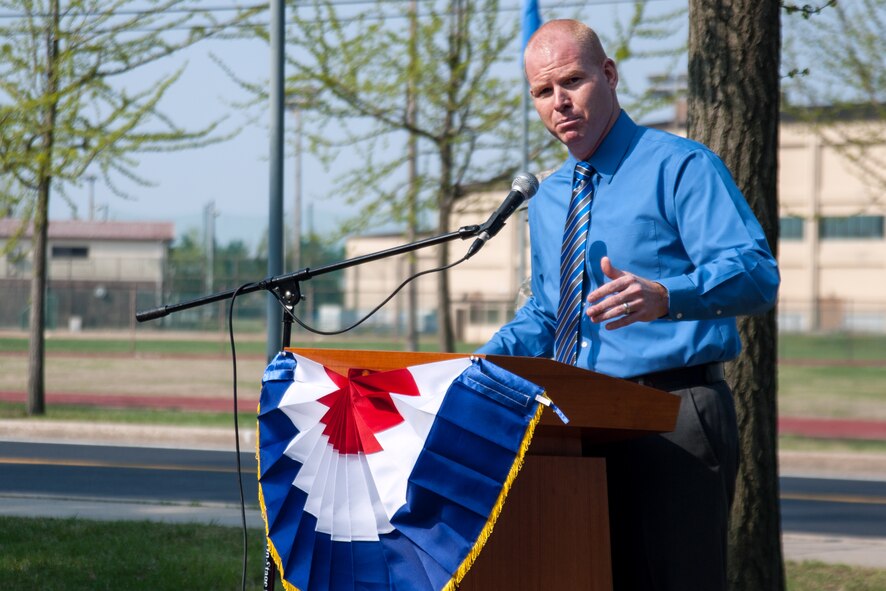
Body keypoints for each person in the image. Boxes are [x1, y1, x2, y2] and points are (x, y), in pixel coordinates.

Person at [476, 19, 779, 591]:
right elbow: (548, 314)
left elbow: (757, 275)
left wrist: (666, 296)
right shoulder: (547, 198)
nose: (559, 102)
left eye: (572, 81)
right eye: (543, 92)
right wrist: (480, 365)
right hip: (576, 426)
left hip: (674, 414)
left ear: (609, 75)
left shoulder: (680, 167)